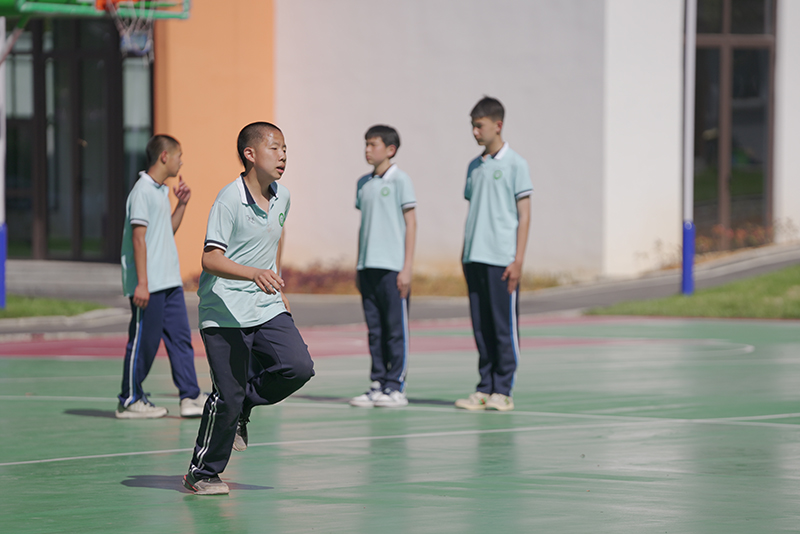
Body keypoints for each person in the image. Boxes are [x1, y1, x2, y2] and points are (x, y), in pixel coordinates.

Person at [183, 122, 315, 495]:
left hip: (265, 304)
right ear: (250, 154)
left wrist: (273, 276)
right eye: (275, 148)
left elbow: (276, 236)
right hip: (224, 309)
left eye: (285, 149)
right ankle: (202, 472)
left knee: (297, 367)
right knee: (227, 394)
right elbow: (210, 258)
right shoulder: (229, 200)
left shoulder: (282, 197)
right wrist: (254, 273)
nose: (283, 155)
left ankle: (244, 406)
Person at [116, 135, 206, 419]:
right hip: (150, 284)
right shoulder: (142, 191)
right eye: (179, 156)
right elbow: (138, 239)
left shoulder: (161, 191)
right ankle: (130, 400)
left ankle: (190, 396)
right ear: (164, 156)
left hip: (169, 282)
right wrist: (142, 283)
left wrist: (182, 205)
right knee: (144, 342)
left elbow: (166, 231)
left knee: (181, 340)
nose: (182, 162)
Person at [455, 97, 532, 412]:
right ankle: (484, 387)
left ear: (498, 125)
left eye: (480, 126)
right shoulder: (474, 167)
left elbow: (524, 215)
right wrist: (465, 252)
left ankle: (503, 389)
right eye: (472, 126)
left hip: (502, 259)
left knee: (503, 327)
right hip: (474, 258)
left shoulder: (516, 164)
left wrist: (518, 259)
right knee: (481, 327)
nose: (475, 132)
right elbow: (475, 209)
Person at [349, 125, 417, 409]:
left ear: (390, 149)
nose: (367, 149)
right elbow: (364, 226)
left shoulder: (401, 180)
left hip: (393, 268)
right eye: (366, 144)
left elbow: (411, 223)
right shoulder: (363, 183)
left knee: (394, 330)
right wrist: (359, 263)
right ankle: (377, 383)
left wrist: (407, 267)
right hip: (368, 267)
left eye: (373, 144)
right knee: (375, 330)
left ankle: (395, 386)